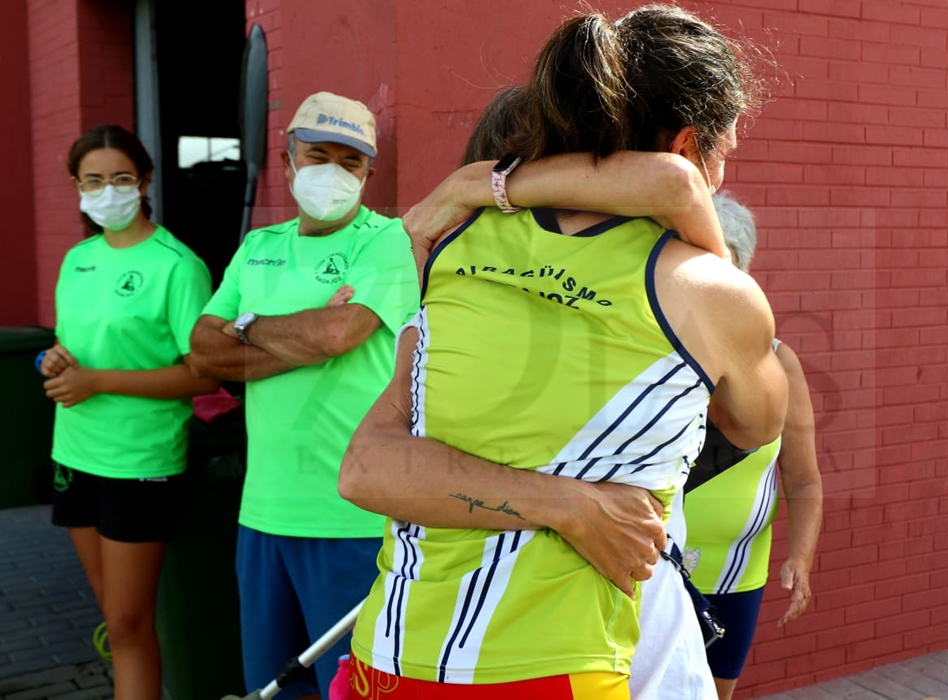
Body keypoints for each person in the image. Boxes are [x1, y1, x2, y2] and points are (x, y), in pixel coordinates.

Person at [338, 6, 786, 699]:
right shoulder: (714, 294)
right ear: (692, 142)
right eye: (725, 151)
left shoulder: (453, 247)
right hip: (556, 667)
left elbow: (365, 467)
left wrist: (472, 186)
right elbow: (757, 426)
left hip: (391, 658)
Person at [188, 92, 420, 700]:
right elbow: (201, 352)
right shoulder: (258, 246)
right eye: (318, 156)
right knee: (269, 688)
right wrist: (302, 331)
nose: (333, 174)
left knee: (352, 688)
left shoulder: (386, 241)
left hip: (352, 515)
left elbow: (340, 332)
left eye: (350, 163)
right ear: (288, 161)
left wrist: (245, 325)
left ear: (369, 173)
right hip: (261, 513)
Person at [42, 124, 217, 700]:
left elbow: (202, 373)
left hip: (138, 460)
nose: (107, 190)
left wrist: (98, 381)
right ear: (76, 186)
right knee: (114, 618)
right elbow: (68, 347)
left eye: (121, 178)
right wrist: (52, 361)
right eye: (93, 180)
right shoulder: (77, 260)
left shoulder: (177, 265)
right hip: (75, 451)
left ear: (144, 182)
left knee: (128, 623)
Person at [682, 192, 823, 700]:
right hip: (647, 572)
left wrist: (800, 558)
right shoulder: (647, 357)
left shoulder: (779, 364)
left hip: (735, 578)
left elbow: (804, 479)